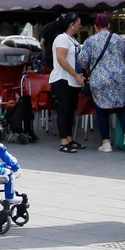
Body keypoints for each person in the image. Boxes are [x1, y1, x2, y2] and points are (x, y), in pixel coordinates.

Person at [79, 13, 125, 153]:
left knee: (101, 110)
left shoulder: (90, 41)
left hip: (99, 79)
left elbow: (82, 60)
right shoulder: (119, 39)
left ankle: (106, 143)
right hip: (120, 78)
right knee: (122, 108)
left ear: (95, 26)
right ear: (109, 25)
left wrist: (88, 70)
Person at [48, 13, 86, 152]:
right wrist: (75, 74)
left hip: (72, 80)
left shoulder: (72, 40)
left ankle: (69, 138)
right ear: (71, 24)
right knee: (64, 110)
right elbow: (61, 58)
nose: (79, 26)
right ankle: (63, 140)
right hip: (63, 79)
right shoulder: (62, 39)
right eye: (78, 23)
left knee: (70, 110)